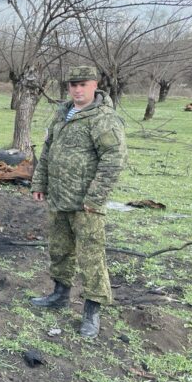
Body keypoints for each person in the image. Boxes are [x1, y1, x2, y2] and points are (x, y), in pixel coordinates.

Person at [29, 66, 126, 338]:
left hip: (86, 204)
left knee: (91, 256)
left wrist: (95, 198)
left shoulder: (103, 119)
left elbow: (113, 161)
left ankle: (92, 311)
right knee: (59, 249)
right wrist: (40, 182)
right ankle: (60, 294)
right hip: (59, 198)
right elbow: (48, 150)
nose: (77, 90)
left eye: (82, 84)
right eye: (73, 85)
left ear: (94, 85)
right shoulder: (63, 113)